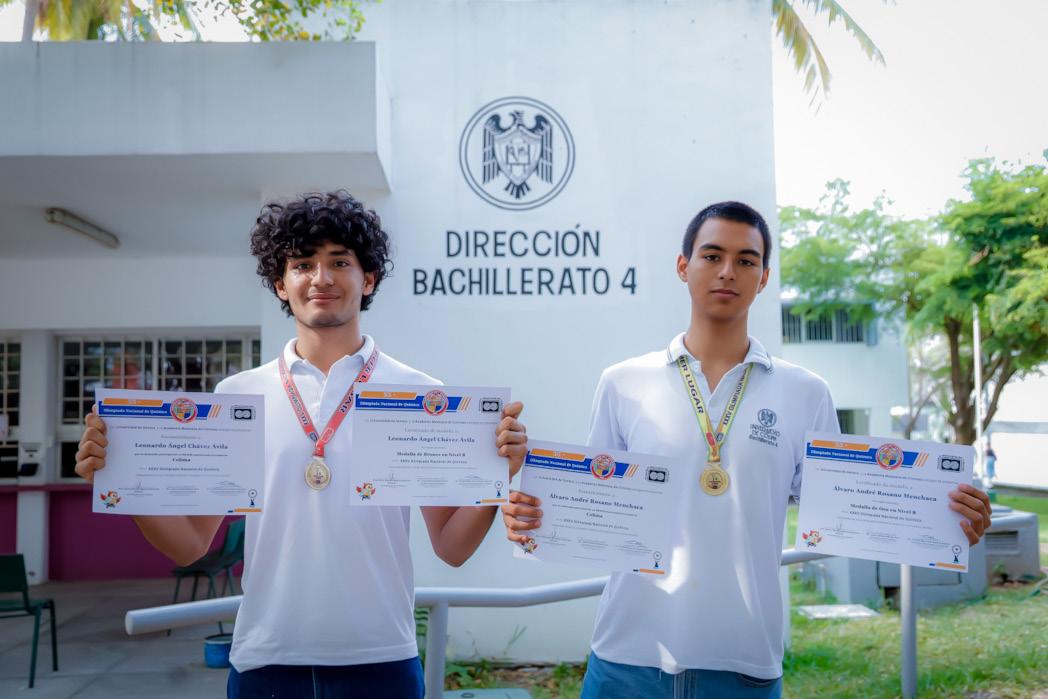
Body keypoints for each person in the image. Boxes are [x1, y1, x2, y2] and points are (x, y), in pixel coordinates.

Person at [501, 201, 992, 698]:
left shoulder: (805, 392)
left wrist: (942, 523)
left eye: (746, 260)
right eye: (712, 256)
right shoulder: (624, 383)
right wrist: (536, 515)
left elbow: (845, 513)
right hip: (627, 659)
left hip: (744, 662)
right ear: (683, 266)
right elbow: (597, 509)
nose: (727, 272)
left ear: (764, 278)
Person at [75, 191, 528, 698]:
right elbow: (190, 544)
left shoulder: (420, 394)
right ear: (280, 283)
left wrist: (497, 473)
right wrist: (122, 479)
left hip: (381, 658)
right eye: (303, 264)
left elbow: (452, 547)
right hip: (267, 661)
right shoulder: (237, 396)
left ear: (369, 278)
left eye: (340, 262)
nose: (321, 278)